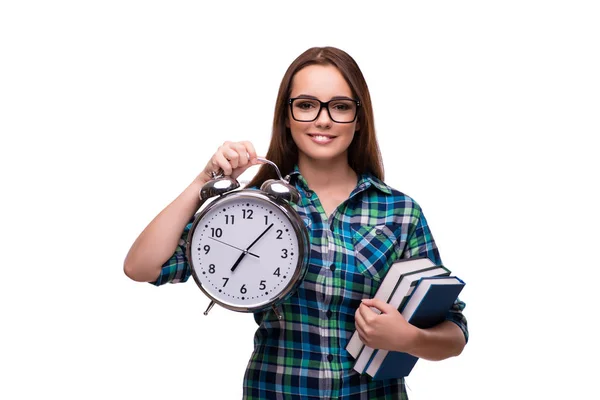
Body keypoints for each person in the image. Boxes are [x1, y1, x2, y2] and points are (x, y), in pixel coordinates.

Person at [124, 46, 468, 399]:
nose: (323, 119)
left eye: (340, 106)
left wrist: (409, 338)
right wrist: (202, 180)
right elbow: (142, 266)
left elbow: (454, 332)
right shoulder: (254, 205)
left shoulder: (398, 212)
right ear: (286, 116)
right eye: (306, 105)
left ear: (359, 118)